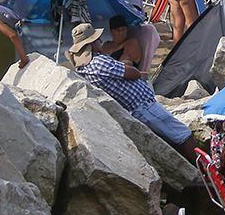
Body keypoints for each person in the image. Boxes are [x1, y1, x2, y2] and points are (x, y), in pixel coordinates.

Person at [70, 20, 192, 151]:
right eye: (97, 39)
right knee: (184, 135)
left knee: (172, 141)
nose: (100, 41)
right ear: (93, 44)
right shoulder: (100, 61)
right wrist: (127, 66)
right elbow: (133, 73)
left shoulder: (82, 68)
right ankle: (206, 167)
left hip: (132, 109)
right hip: (142, 106)